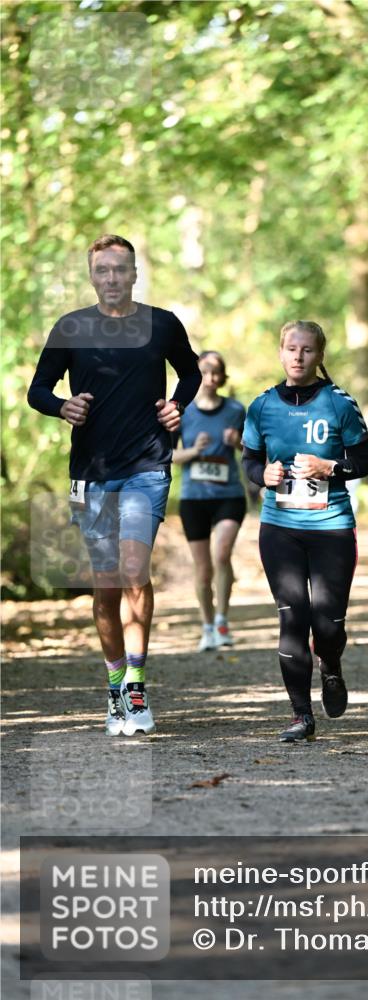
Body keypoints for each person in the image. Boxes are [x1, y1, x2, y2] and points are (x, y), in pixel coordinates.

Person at [27, 234, 201, 736]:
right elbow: (38, 388)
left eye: (120, 269)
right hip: (92, 471)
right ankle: (114, 687)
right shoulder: (72, 327)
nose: (111, 278)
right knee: (105, 586)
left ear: (134, 272)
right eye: (102, 270)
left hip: (147, 464)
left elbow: (188, 374)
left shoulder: (161, 324)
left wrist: (178, 404)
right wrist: (62, 406)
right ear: (91, 275)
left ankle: (138, 685)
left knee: (133, 569)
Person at [242, 320, 368, 743]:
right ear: (281, 353)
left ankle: (330, 664)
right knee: (291, 618)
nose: (298, 357)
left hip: (331, 526)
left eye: (308, 351)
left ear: (320, 355)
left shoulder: (339, 404)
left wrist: (329, 467)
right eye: (292, 349)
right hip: (280, 528)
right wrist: (264, 474)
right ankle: (301, 715)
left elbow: (363, 462)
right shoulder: (261, 406)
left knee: (328, 625)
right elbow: (249, 463)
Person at [172, 351, 246, 651]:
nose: (211, 378)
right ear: (196, 374)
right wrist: (194, 451)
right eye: (205, 371)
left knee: (222, 554)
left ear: (223, 377)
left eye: (217, 372)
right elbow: (168, 455)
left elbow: (254, 452)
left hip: (229, 494)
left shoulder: (236, 410)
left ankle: (222, 621)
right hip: (194, 498)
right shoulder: (182, 411)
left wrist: (237, 442)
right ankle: (206, 626)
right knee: (203, 569)